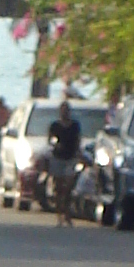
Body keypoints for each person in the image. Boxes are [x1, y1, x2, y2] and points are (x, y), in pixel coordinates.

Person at [47, 90, 84, 225]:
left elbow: (78, 140)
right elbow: (50, 139)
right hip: (58, 158)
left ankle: (67, 212)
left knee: (68, 187)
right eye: (63, 110)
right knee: (58, 187)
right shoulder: (55, 125)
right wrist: (55, 144)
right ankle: (59, 216)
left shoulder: (75, 125)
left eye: (67, 110)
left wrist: (78, 153)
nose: (65, 112)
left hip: (70, 157)